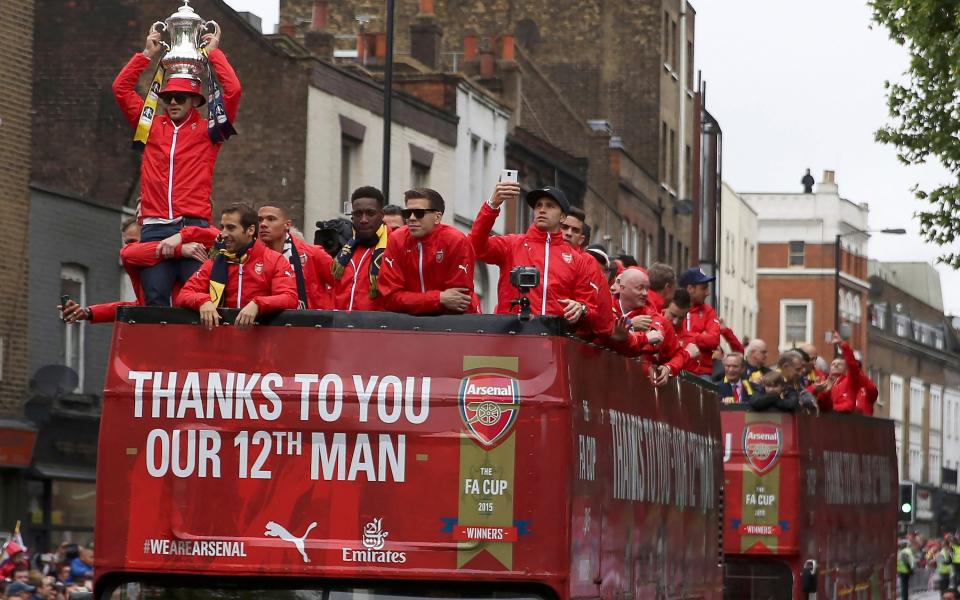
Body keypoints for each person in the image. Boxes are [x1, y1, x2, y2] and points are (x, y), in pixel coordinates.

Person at [112, 25, 241, 306]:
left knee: (196, 301)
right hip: (155, 227)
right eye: (167, 97)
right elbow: (120, 89)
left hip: (193, 226)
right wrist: (146, 54)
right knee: (155, 299)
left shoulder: (209, 130)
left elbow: (233, 92)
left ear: (195, 100)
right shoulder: (150, 124)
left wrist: (215, 54)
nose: (172, 102)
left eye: (179, 97)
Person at [470, 181, 599, 325]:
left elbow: (592, 308)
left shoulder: (576, 259)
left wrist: (581, 308)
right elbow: (475, 247)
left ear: (562, 217)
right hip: (512, 337)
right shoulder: (512, 244)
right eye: (538, 205)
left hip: (554, 341)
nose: (542, 210)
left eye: (550, 205)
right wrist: (492, 205)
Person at [60, 217, 216, 323]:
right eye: (127, 242)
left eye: (135, 241)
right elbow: (140, 305)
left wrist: (182, 238)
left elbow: (219, 236)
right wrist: (89, 312)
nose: (131, 246)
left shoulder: (200, 249)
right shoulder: (139, 261)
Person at [176, 204, 298, 328]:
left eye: (231, 228)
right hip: (222, 339)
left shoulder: (275, 260)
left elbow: (289, 298)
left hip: (261, 341)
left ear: (250, 230)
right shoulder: (215, 261)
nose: (223, 234)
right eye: (222, 227)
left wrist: (258, 304)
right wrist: (203, 301)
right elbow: (184, 294)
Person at [378, 188, 477, 315]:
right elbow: (389, 299)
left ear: (437, 217)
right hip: (410, 326)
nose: (412, 218)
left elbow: (458, 302)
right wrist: (439, 298)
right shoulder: (396, 239)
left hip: (455, 326)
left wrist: (411, 301)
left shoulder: (456, 240)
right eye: (407, 213)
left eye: (419, 213)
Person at [257, 204, 333, 309]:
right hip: (270, 322)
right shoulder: (252, 256)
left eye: (271, 219)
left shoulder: (313, 254)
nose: (263, 224)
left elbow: (343, 286)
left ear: (287, 225)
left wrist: (329, 313)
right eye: (260, 220)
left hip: (312, 322)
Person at [331, 187, 391, 311]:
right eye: (358, 214)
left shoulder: (395, 247)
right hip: (341, 327)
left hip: (379, 328)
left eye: (370, 213)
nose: (364, 220)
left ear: (382, 215)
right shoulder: (344, 253)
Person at [561, 208, 614, 338]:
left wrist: (582, 309)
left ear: (581, 239)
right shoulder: (537, 252)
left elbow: (603, 323)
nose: (568, 233)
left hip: (572, 340)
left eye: (575, 230)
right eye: (565, 227)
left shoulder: (588, 263)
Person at [676, 267, 721, 377]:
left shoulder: (709, 312)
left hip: (702, 373)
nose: (708, 293)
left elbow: (713, 340)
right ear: (690, 289)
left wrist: (685, 337)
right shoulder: (673, 309)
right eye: (704, 288)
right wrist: (701, 335)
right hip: (676, 368)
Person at [826, 331, 872, 414]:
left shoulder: (850, 381)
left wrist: (843, 345)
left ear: (846, 369)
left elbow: (853, 366)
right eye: (833, 364)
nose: (835, 366)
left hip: (847, 420)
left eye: (839, 364)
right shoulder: (824, 382)